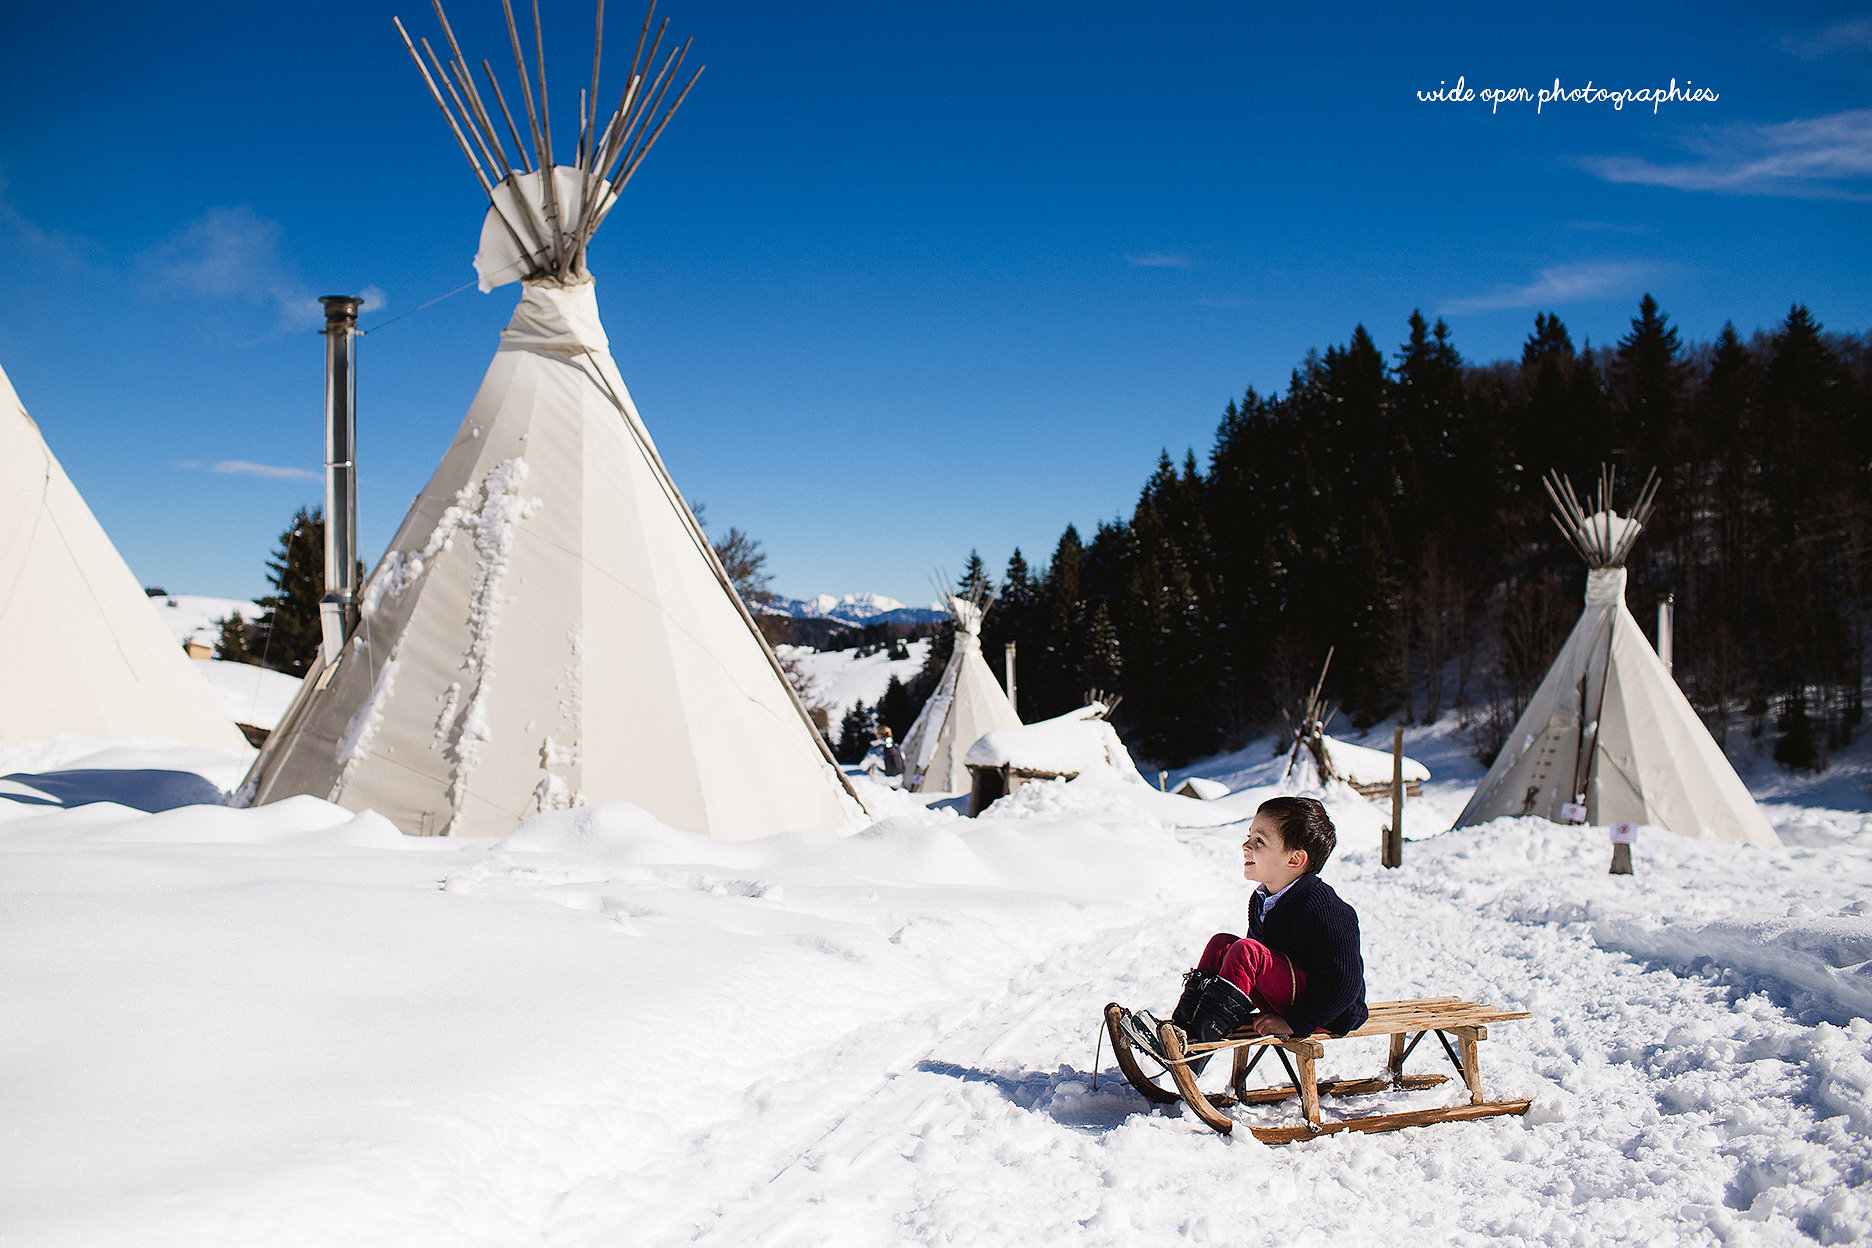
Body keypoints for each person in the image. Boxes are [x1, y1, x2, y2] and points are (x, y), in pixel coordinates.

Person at [1122, 795, 1367, 1072]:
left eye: (1259, 841)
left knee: (1246, 951)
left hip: (1327, 1012)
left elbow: (1345, 985)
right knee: (1223, 944)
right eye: (1249, 836)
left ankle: (1197, 1050)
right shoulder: (1262, 900)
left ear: (1295, 859)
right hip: (1290, 996)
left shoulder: (1325, 907)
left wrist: (1294, 1023)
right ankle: (1180, 1030)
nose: (1246, 846)